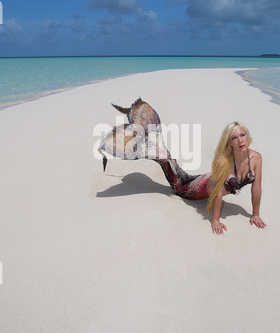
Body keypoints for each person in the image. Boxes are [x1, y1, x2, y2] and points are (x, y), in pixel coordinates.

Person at [99, 98, 267, 234]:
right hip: (193, 189)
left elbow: (256, 188)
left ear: (248, 135)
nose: (240, 140)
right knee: (177, 180)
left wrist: (256, 215)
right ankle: (148, 147)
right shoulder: (227, 162)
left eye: (243, 135)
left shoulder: (256, 158)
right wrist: (215, 220)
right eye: (235, 138)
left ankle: (152, 143)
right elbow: (217, 194)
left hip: (203, 179)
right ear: (229, 142)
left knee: (175, 168)